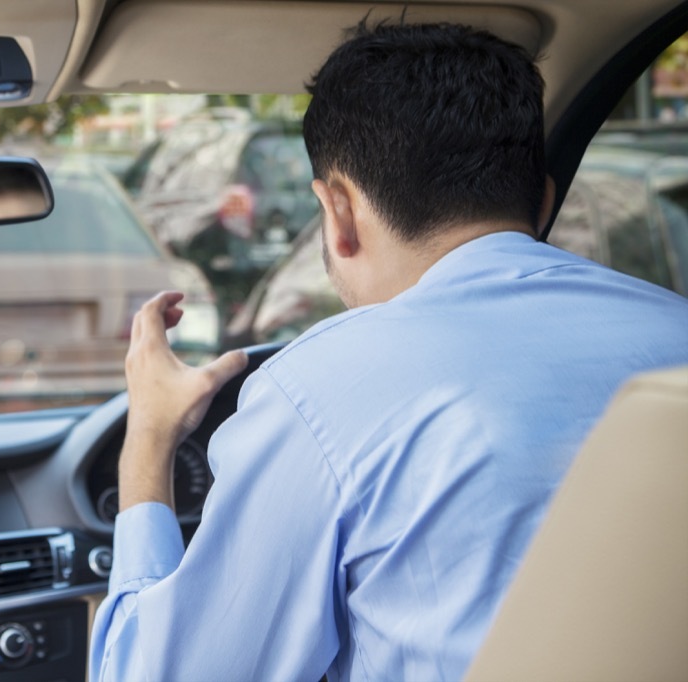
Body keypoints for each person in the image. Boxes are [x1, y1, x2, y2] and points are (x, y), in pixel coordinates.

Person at [88, 20, 688, 681]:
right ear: (544, 201)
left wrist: (147, 440)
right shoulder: (676, 333)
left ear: (338, 210)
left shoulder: (321, 391)